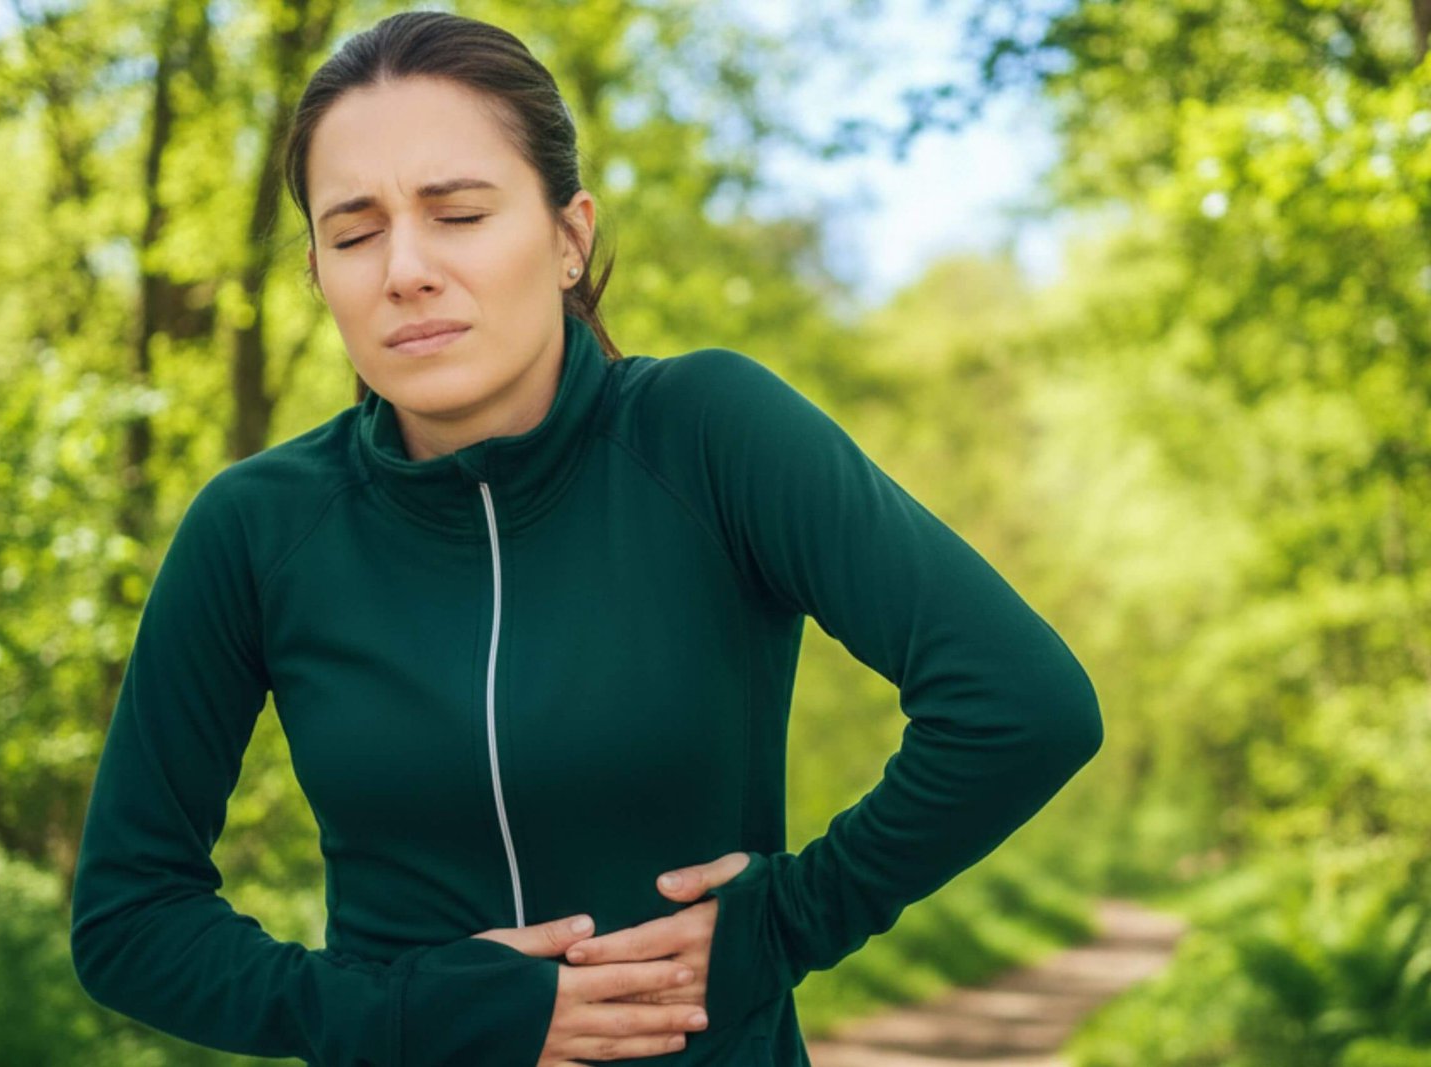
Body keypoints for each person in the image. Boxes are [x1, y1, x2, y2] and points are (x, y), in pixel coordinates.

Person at [68, 10, 1104, 1067]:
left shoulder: (709, 435)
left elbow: (1020, 705)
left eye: (458, 213)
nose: (405, 268)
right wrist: (403, 1012)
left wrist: (786, 921)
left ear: (568, 237)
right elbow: (127, 917)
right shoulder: (257, 528)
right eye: (354, 231)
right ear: (320, 271)